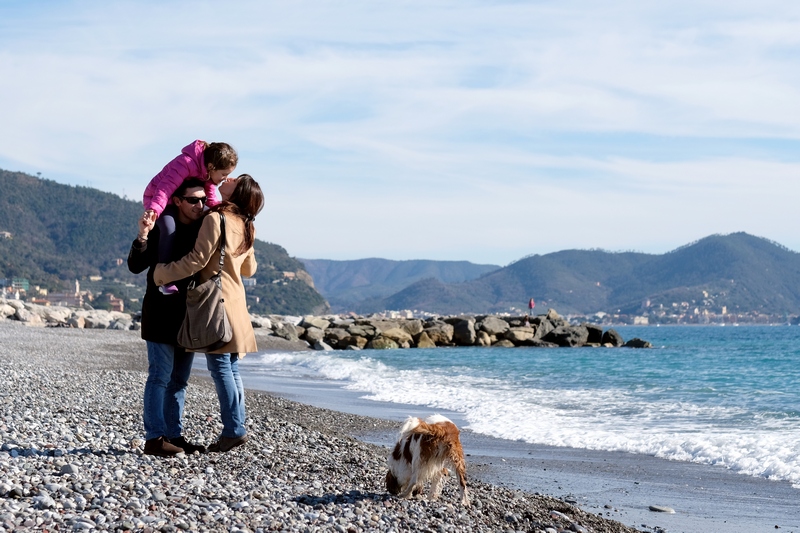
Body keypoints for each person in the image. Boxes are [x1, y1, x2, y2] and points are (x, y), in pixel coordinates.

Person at [154, 174, 264, 453]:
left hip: (217, 303)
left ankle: (234, 430)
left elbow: (197, 260)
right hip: (236, 302)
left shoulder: (216, 219)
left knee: (221, 368)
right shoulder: (246, 224)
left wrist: (161, 273)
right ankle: (236, 427)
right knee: (231, 368)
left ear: (236, 191)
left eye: (233, 180)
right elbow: (249, 270)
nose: (226, 178)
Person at [128, 178, 209, 457]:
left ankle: (174, 435)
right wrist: (142, 236)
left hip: (189, 317)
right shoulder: (163, 227)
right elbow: (135, 266)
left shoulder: (203, 230)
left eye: (203, 199)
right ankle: (154, 438)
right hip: (160, 315)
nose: (200, 205)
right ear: (177, 201)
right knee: (159, 377)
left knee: (179, 381)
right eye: (193, 200)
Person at [142, 140, 238, 295]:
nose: (225, 179)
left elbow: (211, 199)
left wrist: (226, 212)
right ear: (212, 167)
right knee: (169, 228)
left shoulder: (207, 174)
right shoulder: (186, 163)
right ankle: (165, 276)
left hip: (178, 199)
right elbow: (164, 189)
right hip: (159, 200)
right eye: (224, 174)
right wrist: (154, 209)